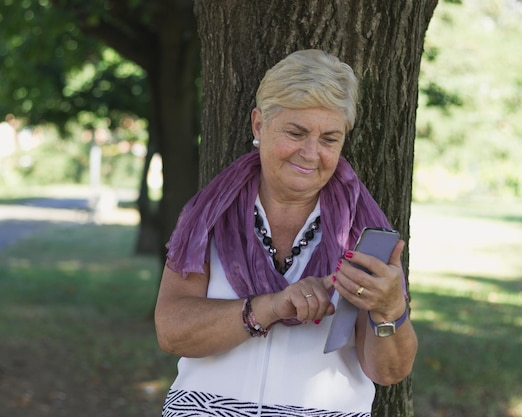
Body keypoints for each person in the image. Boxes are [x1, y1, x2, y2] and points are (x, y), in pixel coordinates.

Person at [154, 49, 418, 417]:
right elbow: (172, 331)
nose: (311, 153)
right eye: (296, 132)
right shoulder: (208, 216)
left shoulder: (363, 233)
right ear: (259, 125)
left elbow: (387, 371)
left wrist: (389, 310)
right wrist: (269, 307)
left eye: (329, 139)